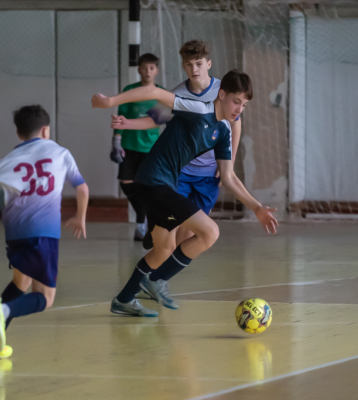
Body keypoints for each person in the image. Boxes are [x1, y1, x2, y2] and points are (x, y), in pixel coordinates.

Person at [92, 70, 278, 317]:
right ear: (222, 94)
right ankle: (156, 280)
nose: (239, 109)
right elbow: (153, 91)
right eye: (236, 101)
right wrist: (110, 101)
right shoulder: (197, 109)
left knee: (163, 249)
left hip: (162, 186)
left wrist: (257, 207)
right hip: (153, 181)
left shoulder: (223, 132)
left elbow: (228, 176)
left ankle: (124, 300)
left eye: (244, 105)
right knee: (210, 232)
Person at [0, 105, 89, 358]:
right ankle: (3, 312)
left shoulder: (8, 159)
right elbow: (82, 188)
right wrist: (80, 217)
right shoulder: (60, 153)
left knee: (20, 282)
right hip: (43, 231)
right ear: (45, 130)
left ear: (19, 134)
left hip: (14, 231)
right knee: (45, 298)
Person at [112, 40, 242, 251]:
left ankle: (164, 256)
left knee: (190, 233)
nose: (194, 69)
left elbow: (235, 124)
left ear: (208, 64)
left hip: (209, 173)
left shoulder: (223, 91)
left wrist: (230, 161)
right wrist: (128, 124)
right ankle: (156, 230)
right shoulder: (178, 94)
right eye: (189, 64)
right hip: (181, 170)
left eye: (199, 64)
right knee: (171, 227)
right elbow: (155, 119)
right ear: (183, 66)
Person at [111, 53, 163, 241]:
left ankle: (142, 223)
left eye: (152, 68)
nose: (148, 71)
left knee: (146, 186)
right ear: (139, 70)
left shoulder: (162, 94)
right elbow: (120, 116)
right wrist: (116, 141)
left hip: (150, 149)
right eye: (144, 67)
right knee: (126, 183)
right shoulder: (129, 91)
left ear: (156, 71)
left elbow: (163, 121)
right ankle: (143, 216)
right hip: (129, 146)